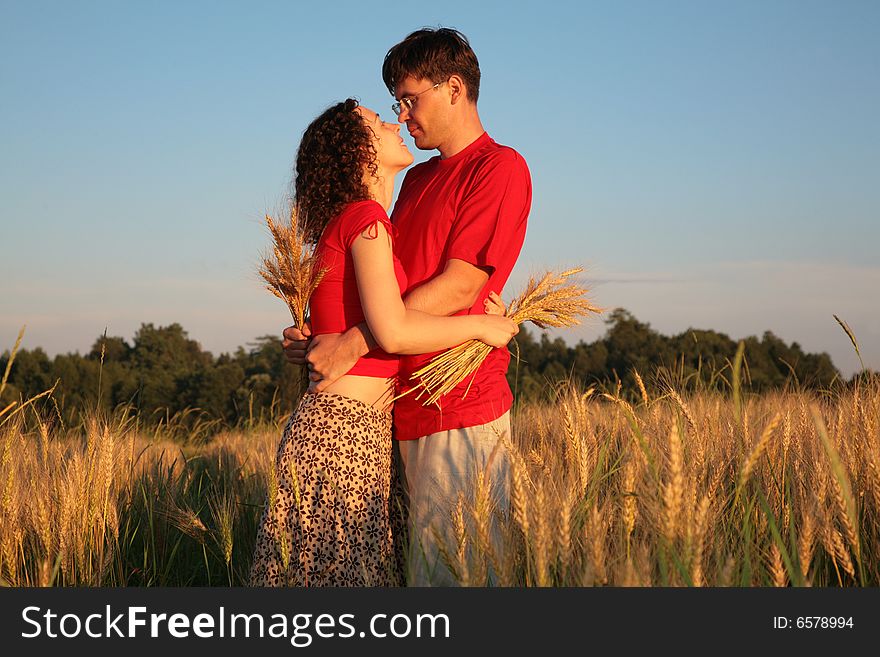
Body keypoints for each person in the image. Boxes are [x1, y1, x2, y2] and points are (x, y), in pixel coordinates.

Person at [283, 28, 531, 585]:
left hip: (458, 401)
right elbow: (375, 285)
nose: (403, 114)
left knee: (457, 575)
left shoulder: (498, 167)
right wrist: (324, 331)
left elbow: (459, 287)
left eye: (410, 99)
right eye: (395, 103)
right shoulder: (413, 181)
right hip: (390, 409)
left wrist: (355, 341)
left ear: (453, 89)